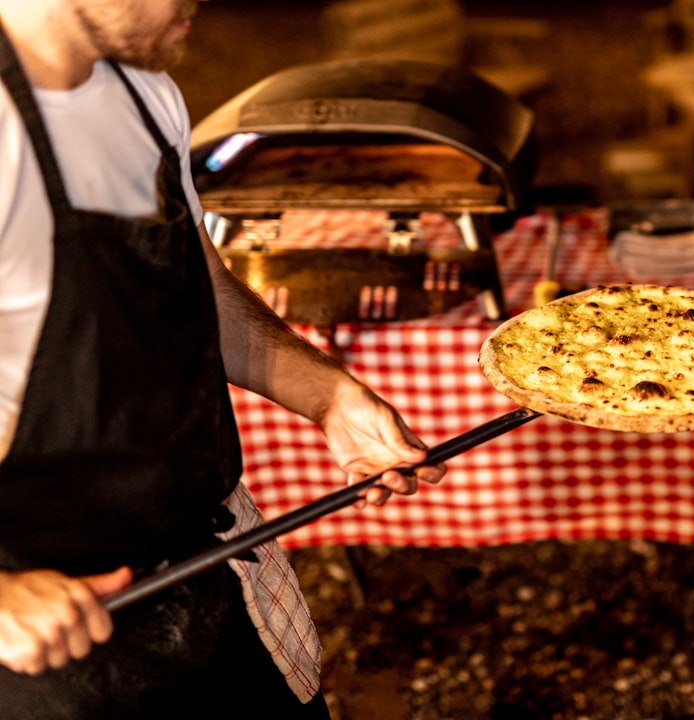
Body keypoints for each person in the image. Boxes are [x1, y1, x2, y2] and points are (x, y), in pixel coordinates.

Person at [0, 0, 446, 717]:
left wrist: (327, 396)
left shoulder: (143, 94)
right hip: (46, 648)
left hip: (205, 568)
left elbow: (196, 285)